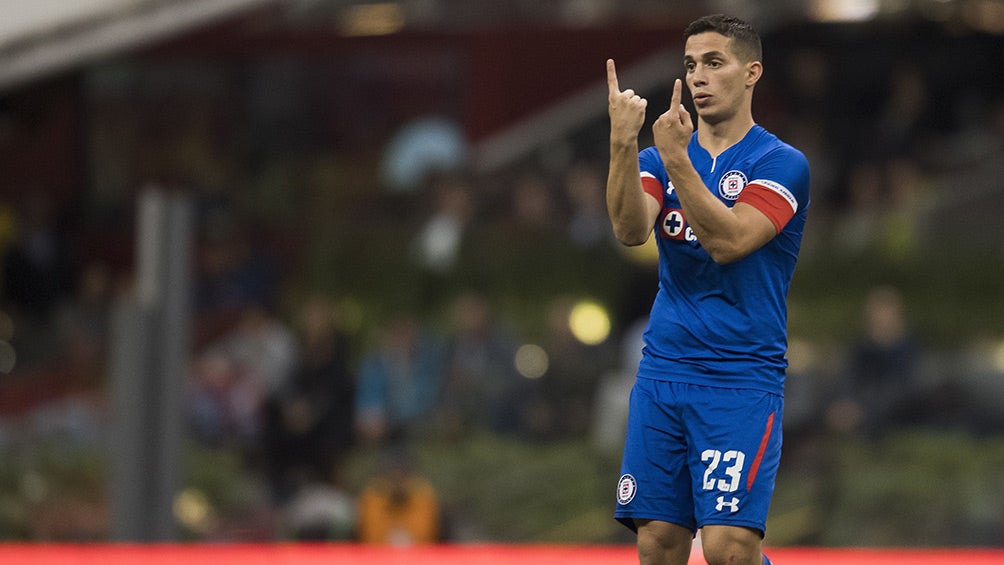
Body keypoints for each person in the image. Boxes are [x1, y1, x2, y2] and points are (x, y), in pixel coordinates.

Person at [605, 14, 810, 565]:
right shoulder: (655, 158)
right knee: (658, 542)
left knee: (728, 550)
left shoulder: (782, 164)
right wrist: (623, 145)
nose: (698, 76)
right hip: (665, 370)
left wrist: (678, 158)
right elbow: (629, 230)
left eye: (714, 63)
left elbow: (730, 240)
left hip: (741, 376)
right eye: (691, 64)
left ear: (751, 73)